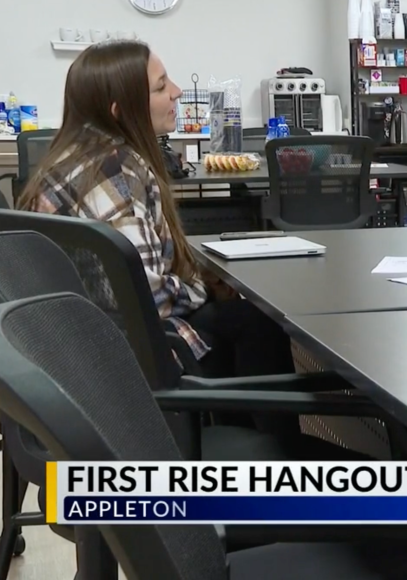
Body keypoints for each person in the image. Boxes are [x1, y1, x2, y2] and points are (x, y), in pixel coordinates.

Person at [16, 41, 300, 436]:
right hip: (123, 362)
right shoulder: (112, 168)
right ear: (120, 110)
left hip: (75, 353)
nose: (178, 92)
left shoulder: (71, 158)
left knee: (242, 320)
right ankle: (273, 462)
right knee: (257, 322)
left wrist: (198, 281)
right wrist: (201, 289)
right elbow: (144, 293)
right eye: (160, 86)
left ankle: (240, 443)